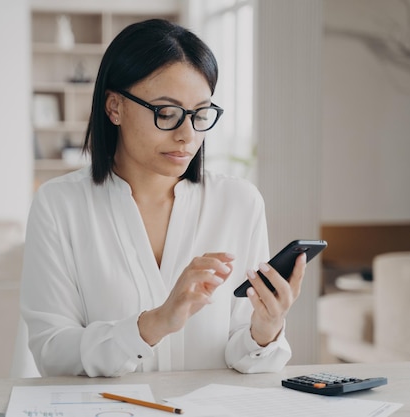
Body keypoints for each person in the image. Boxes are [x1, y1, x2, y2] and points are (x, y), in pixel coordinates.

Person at [20, 18, 307, 377]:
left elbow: (243, 354)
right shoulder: (59, 205)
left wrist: (265, 330)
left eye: (201, 114)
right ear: (114, 107)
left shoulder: (239, 202)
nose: (187, 134)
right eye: (167, 113)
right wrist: (154, 324)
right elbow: (52, 352)